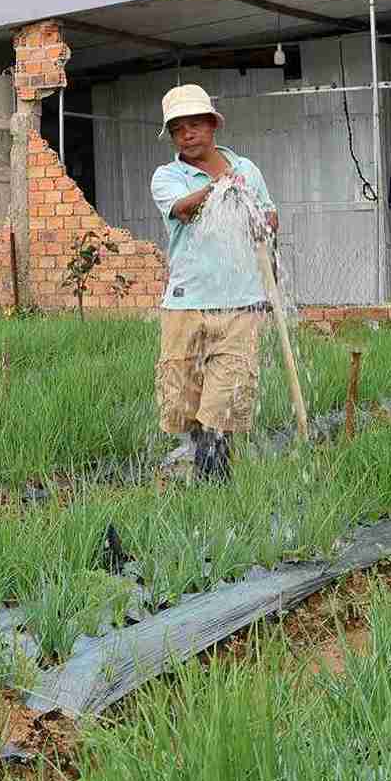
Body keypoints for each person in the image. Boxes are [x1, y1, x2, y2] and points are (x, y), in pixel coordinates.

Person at [149, 84, 279, 482]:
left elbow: (270, 219)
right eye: (178, 129)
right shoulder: (168, 176)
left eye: (194, 125)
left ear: (212, 125)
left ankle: (214, 483)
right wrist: (219, 187)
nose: (187, 135)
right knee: (182, 400)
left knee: (226, 399)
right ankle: (197, 464)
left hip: (240, 303)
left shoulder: (247, 170)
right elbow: (184, 210)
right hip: (185, 305)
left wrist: (257, 213)